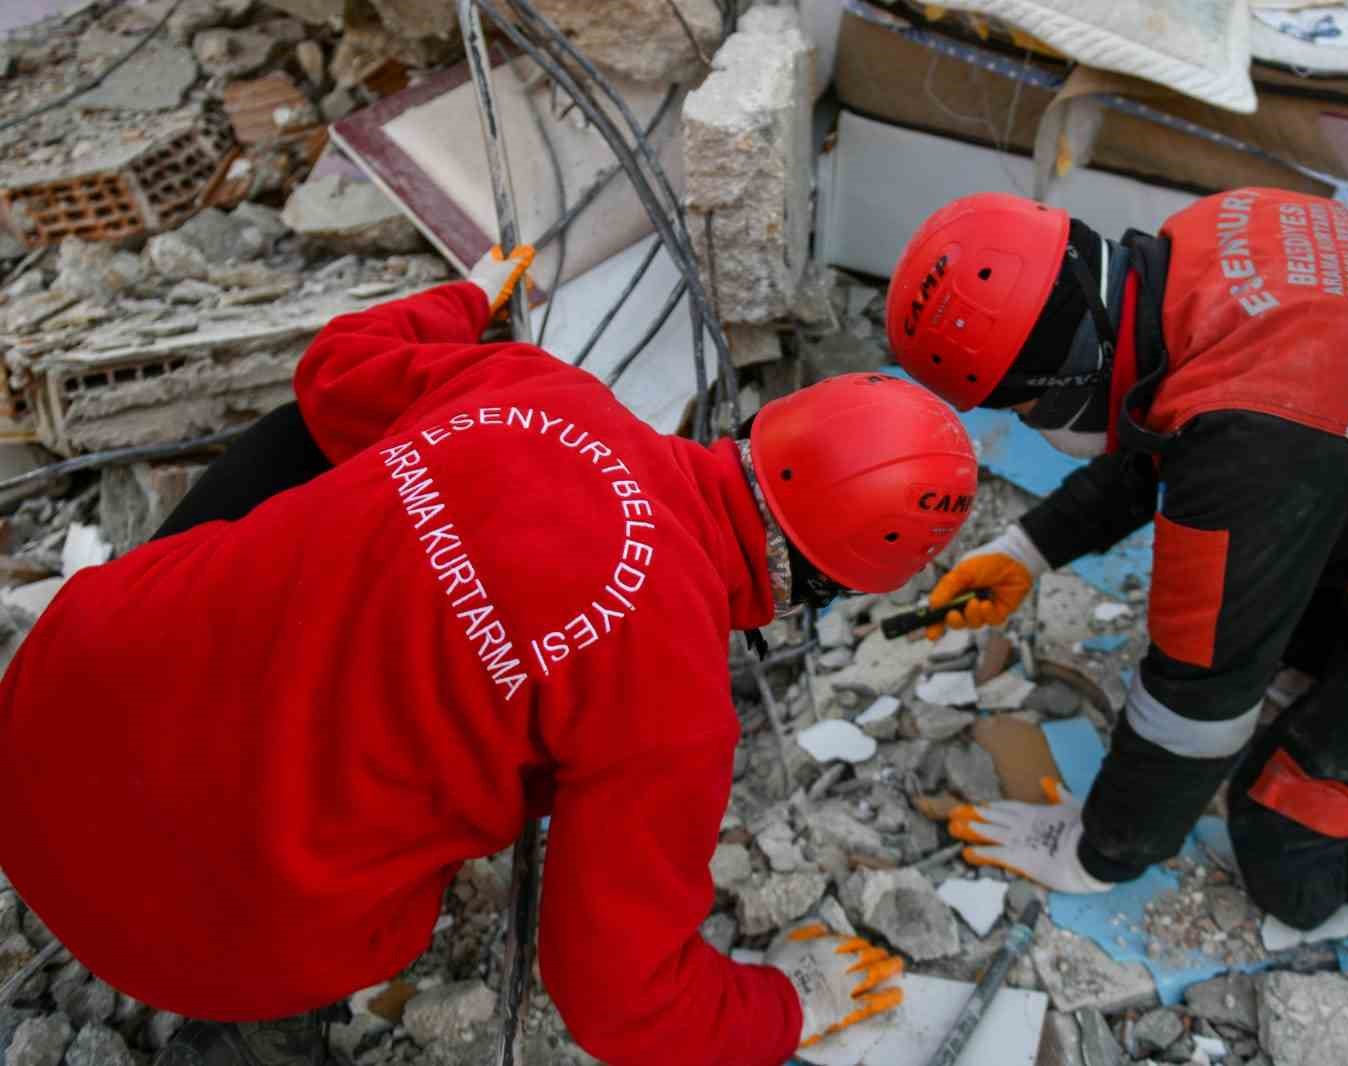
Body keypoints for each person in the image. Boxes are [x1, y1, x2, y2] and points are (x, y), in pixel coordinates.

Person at [0, 245, 981, 1066]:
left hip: (41, 713)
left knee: (305, 463)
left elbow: (336, 369)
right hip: (181, 931)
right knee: (341, 924)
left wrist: (471, 297)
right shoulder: (672, 696)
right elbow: (616, 998)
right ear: (837, 581)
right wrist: (782, 1006)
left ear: (776, 430)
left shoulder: (530, 383)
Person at [885, 188, 1348, 930]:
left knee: (1284, 846)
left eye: (1018, 407)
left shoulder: (1256, 449)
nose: (1027, 424)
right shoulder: (1212, 236)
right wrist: (1030, 548)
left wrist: (1104, 851)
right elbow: (1179, 416)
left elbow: (1200, 695)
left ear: (1054, 384)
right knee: (1277, 614)